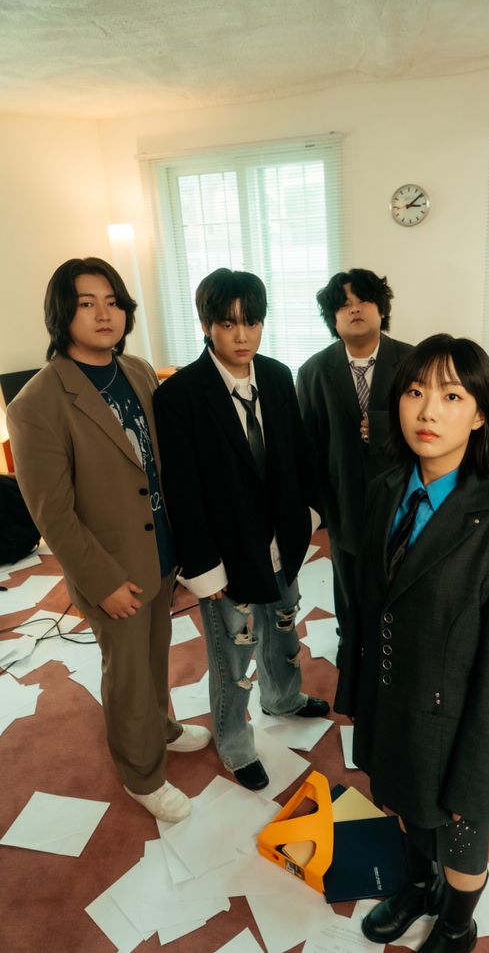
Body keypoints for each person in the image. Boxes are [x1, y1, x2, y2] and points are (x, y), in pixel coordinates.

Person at [335, 334, 489, 953]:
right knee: (402, 809)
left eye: (452, 396)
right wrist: (358, 697)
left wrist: (476, 783)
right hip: (391, 706)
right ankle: (419, 887)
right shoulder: (385, 490)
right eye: (414, 391)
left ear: (480, 414)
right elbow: (368, 607)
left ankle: (457, 923)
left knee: (460, 841)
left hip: (453, 730)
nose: (428, 411)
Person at [7, 257, 210, 824]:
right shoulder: (37, 403)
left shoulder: (138, 371)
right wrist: (101, 581)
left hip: (160, 549)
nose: (104, 314)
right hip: (111, 568)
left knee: (154, 653)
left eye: (113, 301)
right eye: (86, 303)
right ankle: (141, 774)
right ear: (61, 313)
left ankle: (160, 727)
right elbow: (52, 513)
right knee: (127, 673)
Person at [153, 268, 328, 792]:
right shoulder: (180, 394)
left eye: (252, 322)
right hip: (226, 554)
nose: (242, 335)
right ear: (207, 325)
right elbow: (181, 490)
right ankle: (233, 743)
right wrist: (204, 568)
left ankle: (284, 698)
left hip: (282, 539)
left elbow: (297, 453)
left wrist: (308, 515)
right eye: (228, 324)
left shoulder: (276, 374)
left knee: (284, 630)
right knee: (233, 655)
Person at [296, 269, 412, 662]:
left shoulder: (412, 361)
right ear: (333, 318)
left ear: (382, 309)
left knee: (399, 574)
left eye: (363, 300)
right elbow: (308, 445)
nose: (354, 309)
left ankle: (394, 644)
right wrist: (317, 507)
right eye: (344, 305)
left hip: (402, 494)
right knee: (347, 579)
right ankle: (351, 641)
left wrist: (384, 426)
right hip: (342, 495)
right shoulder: (313, 371)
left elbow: (431, 424)